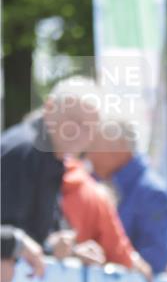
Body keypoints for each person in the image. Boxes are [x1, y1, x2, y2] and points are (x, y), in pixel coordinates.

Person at [1, 77, 102, 247]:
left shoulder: (54, 158)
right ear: (49, 108)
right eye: (73, 120)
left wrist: (67, 249)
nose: (79, 132)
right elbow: (8, 233)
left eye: (88, 127)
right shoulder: (23, 152)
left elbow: (36, 235)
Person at [86, 116, 167, 274]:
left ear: (119, 148)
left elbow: (156, 258)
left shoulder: (153, 194)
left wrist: (108, 263)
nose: (89, 156)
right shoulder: (93, 182)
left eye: (94, 146)